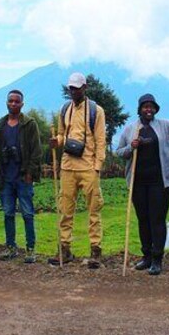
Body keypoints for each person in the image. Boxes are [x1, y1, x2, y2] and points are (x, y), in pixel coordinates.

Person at [115, 94, 169, 275]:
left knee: (157, 220)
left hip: (160, 182)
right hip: (138, 182)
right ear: (139, 109)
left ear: (156, 109)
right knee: (143, 220)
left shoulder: (164, 126)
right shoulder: (131, 129)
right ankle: (146, 256)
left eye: (152, 107)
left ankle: (157, 258)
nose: (149, 110)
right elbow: (119, 152)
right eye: (145, 107)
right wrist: (131, 147)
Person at [49, 72, 107, 269]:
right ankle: (64, 249)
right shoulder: (65, 109)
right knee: (65, 209)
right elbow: (61, 134)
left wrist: (97, 166)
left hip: (88, 166)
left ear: (85, 87)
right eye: (71, 88)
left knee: (93, 210)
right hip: (67, 165)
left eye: (77, 88)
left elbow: (100, 140)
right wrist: (56, 141)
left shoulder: (96, 111)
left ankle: (95, 250)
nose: (73, 91)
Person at [0, 90, 42, 263]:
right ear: (6, 103)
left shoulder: (29, 124)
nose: (13, 104)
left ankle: (30, 249)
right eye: (10, 101)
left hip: (23, 177)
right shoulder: (0, 124)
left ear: (22, 104)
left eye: (16, 102)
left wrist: (30, 174)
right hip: (5, 177)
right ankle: (10, 247)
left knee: (27, 213)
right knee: (8, 213)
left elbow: (36, 151)